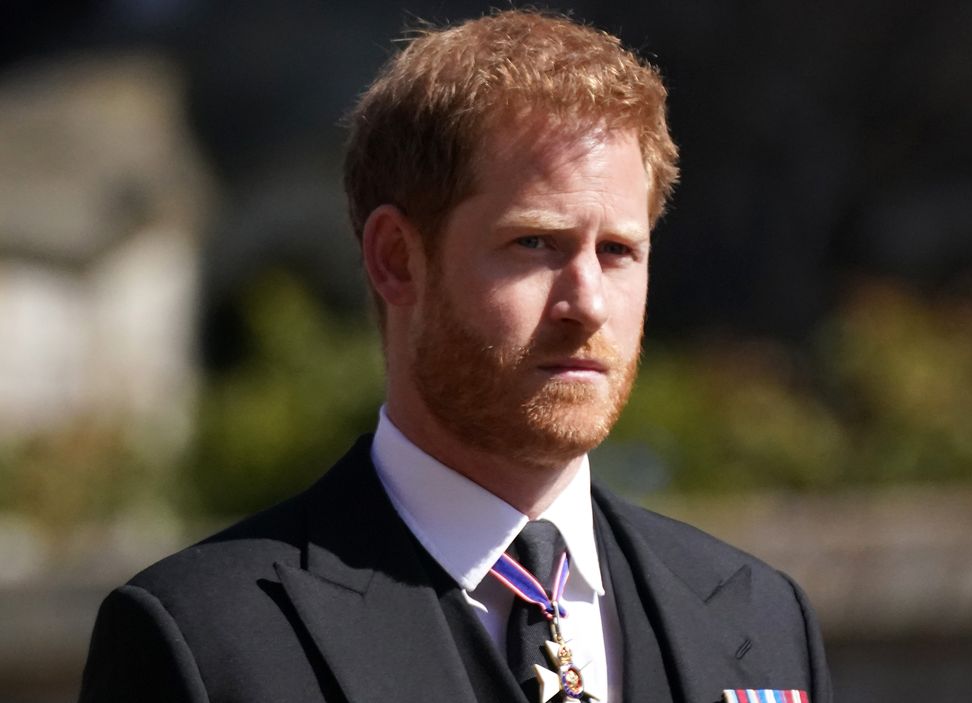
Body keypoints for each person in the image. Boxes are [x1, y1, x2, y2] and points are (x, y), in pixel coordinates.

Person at [79, 10, 831, 703]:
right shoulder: (206, 640)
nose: (588, 302)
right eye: (534, 243)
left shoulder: (763, 619)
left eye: (618, 251)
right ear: (396, 259)